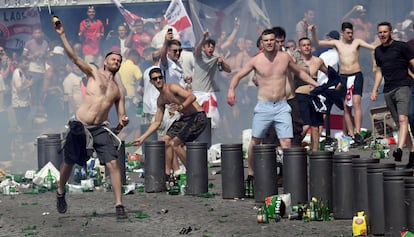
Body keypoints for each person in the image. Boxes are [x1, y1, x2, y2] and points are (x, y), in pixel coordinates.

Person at [53, 18, 129, 219]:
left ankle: (119, 205)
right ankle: (61, 191)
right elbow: (75, 58)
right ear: (105, 61)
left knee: (113, 164)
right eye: (113, 59)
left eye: (119, 60)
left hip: (100, 128)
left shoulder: (118, 90)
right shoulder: (94, 73)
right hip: (80, 125)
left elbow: (121, 116)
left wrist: (122, 122)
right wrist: (62, 35)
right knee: (69, 162)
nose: (116, 61)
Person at [227, 29, 319, 179]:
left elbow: (300, 72)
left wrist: (315, 84)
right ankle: (251, 173)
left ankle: (289, 176)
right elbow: (238, 75)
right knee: (255, 141)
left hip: (282, 105)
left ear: (276, 42)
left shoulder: (285, 58)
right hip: (264, 105)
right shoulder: (256, 60)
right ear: (262, 43)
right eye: (266, 40)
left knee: (286, 142)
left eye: (272, 40)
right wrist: (231, 90)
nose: (269, 43)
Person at [132, 67, 207, 178]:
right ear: (151, 82)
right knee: (166, 140)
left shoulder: (172, 87)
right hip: (185, 118)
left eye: (160, 77)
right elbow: (157, 122)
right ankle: (167, 173)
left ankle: (193, 174)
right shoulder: (160, 99)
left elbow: (192, 97)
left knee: (175, 144)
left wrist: (181, 106)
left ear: (163, 78)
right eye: (155, 79)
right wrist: (142, 138)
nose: (158, 80)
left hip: (198, 117)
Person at [311, 22, 375, 145]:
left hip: (356, 74)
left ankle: (357, 132)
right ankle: (351, 134)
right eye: (348, 33)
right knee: (346, 107)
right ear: (342, 33)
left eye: (352, 33)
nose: (350, 35)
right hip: (344, 77)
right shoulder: (337, 43)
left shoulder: (357, 42)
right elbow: (317, 43)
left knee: (356, 103)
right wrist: (313, 32)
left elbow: (372, 47)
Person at [371, 21, 414, 167]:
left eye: (385, 32)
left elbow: (413, 62)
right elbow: (379, 71)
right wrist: (374, 89)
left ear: (390, 33)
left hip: (403, 86)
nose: (382, 34)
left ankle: (400, 149)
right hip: (388, 90)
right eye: (380, 32)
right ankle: (412, 153)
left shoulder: (401, 46)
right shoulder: (377, 51)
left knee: (403, 119)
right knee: (399, 123)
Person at [294, 37, 328, 151]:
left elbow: (329, 72)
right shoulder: (295, 62)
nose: (307, 47)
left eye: (308, 44)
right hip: (300, 94)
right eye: (304, 45)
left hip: (314, 95)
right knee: (305, 125)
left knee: (315, 126)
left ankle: (315, 152)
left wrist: (335, 83)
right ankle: (295, 146)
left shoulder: (318, 61)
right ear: (299, 48)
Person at [192, 31, 231, 129]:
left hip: (209, 94)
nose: (210, 48)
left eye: (212, 47)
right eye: (208, 46)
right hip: (197, 93)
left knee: (213, 121)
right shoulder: (199, 56)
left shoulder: (215, 59)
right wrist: (203, 37)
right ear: (204, 48)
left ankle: (210, 141)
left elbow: (228, 70)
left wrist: (222, 62)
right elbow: (197, 50)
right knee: (196, 120)